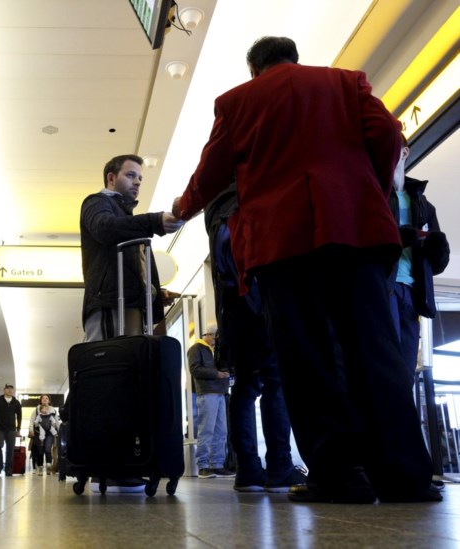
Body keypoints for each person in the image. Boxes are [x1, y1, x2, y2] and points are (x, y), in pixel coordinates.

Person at [173, 37, 438, 503]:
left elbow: (211, 173)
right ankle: (406, 477)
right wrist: (365, 191)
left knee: (307, 360)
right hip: (356, 235)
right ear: (293, 58)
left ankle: (339, 477)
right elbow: (387, 137)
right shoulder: (345, 81)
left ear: (255, 69)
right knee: (375, 353)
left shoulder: (238, 101)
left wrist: (182, 207)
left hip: (284, 244)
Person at [205, 187, 306, 492]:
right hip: (262, 305)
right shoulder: (252, 197)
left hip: (234, 310)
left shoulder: (215, 208)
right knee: (275, 384)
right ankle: (279, 465)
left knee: (245, 389)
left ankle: (248, 469)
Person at [80, 154, 182, 341]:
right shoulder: (96, 202)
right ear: (111, 178)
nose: (137, 182)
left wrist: (154, 293)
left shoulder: (126, 218)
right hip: (109, 304)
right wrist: (154, 221)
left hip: (128, 305)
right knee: (109, 363)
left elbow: (132, 268)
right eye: (130, 175)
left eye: (140, 178)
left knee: (126, 364)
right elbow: (104, 228)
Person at [388, 134, 450, 384]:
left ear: (404, 152)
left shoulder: (424, 206)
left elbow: (437, 265)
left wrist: (438, 249)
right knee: (387, 365)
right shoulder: (374, 199)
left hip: (415, 294)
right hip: (386, 288)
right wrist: (396, 240)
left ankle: (404, 422)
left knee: (404, 374)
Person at [187, 325, 233, 479]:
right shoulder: (196, 348)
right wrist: (217, 374)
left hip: (220, 391)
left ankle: (217, 464)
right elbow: (195, 369)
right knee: (206, 430)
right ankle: (203, 465)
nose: (215, 340)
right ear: (207, 334)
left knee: (221, 431)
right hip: (207, 392)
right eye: (214, 337)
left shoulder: (215, 350)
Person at [0, 384, 22, 476]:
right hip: (0, 428)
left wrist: (18, 429)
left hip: (11, 429)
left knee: (10, 449)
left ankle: (8, 469)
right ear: (4, 390)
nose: (10, 390)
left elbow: (19, 416)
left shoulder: (16, 403)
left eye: (12, 389)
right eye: (8, 389)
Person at [32, 403, 60, 475]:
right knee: (40, 451)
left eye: (46, 409)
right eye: (43, 409)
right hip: (41, 429)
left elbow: (54, 421)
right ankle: (40, 466)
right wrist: (36, 424)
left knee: (48, 449)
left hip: (49, 432)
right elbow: (35, 422)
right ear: (40, 410)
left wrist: (54, 424)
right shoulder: (39, 415)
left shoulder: (50, 415)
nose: (45, 410)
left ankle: (48, 465)